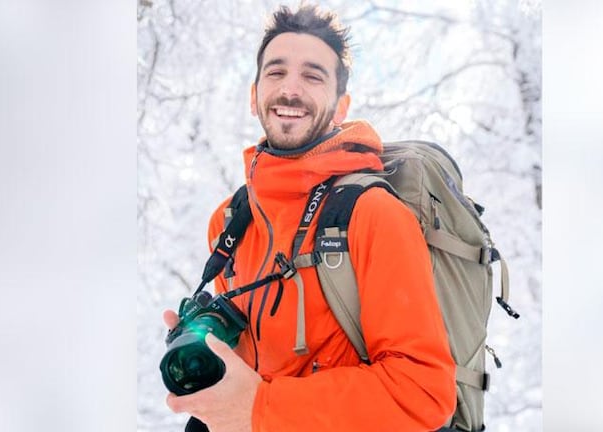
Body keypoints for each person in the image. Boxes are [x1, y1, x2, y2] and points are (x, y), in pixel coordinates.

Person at [163, 5, 456, 431]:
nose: (290, 90)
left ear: (341, 107)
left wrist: (261, 408)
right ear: (254, 95)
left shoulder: (372, 215)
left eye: (313, 76)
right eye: (276, 72)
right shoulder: (229, 223)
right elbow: (252, 378)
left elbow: (424, 393)